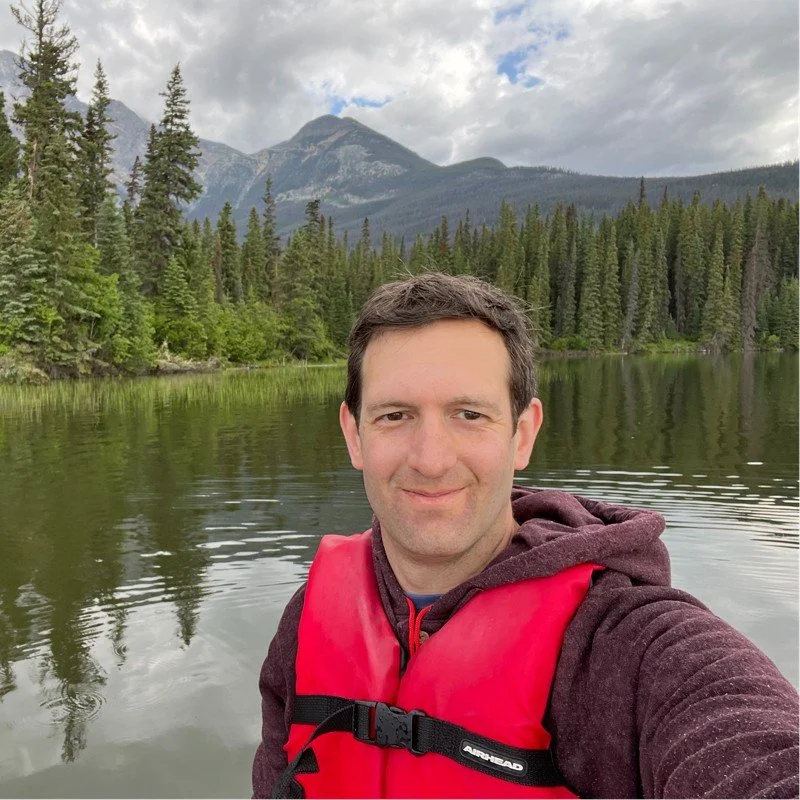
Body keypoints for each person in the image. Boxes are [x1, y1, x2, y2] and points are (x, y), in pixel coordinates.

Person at [252, 272, 799, 799]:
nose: (431, 459)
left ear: (523, 434)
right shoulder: (307, 621)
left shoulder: (623, 643)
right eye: (395, 416)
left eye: (469, 414)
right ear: (354, 436)